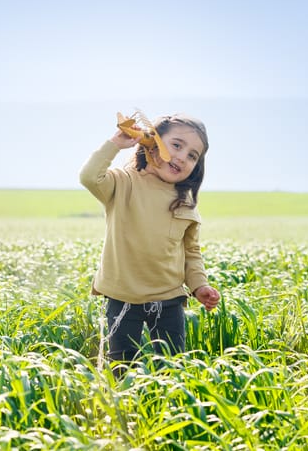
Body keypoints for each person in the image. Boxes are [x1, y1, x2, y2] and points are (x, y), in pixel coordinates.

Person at [79, 112, 221, 371]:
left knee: (173, 365)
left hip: (169, 298)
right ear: (152, 142)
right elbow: (89, 177)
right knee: (122, 365)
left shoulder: (185, 201)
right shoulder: (124, 182)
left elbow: (191, 252)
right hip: (123, 296)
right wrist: (115, 143)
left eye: (192, 155)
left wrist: (200, 286)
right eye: (176, 145)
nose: (182, 157)